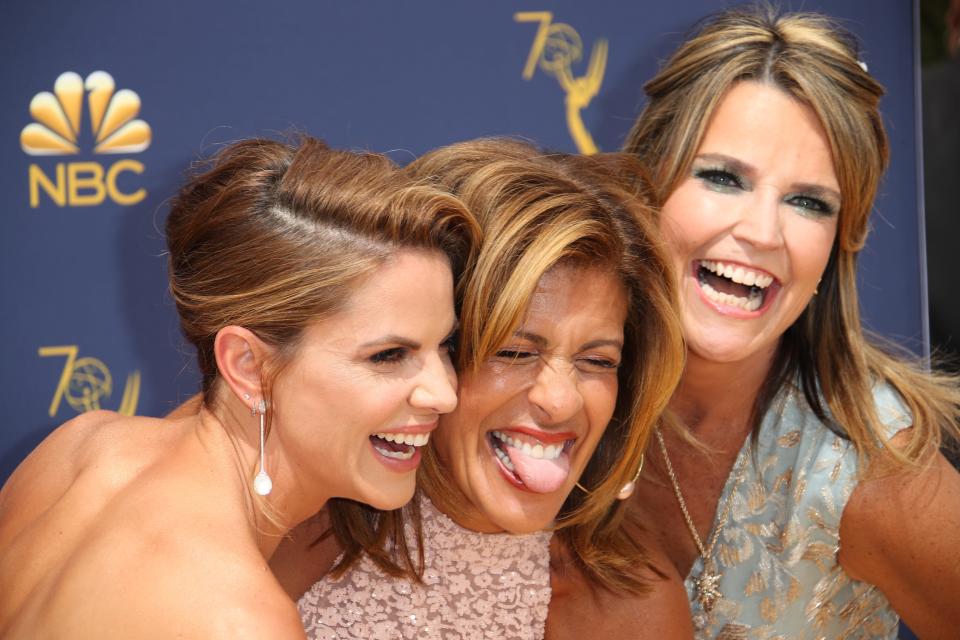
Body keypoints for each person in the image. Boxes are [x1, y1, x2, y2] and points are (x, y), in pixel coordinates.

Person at [0, 136, 478, 638]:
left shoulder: (80, 447)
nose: (444, 394)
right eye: (387, 355)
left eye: (444, 345)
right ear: (247, 365)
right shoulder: (237, 622)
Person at [618, 6, 960, 639]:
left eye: (808, 202)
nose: (761, 232)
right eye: (722, 177)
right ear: (647, 184)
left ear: (839, 244)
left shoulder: (874, 472)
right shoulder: (557, 395)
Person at [270, 138, 694, 639]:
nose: (560, 401)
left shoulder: (632, 607)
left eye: (597, 361)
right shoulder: (287, 525)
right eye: (515, 352)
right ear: (429, 348)